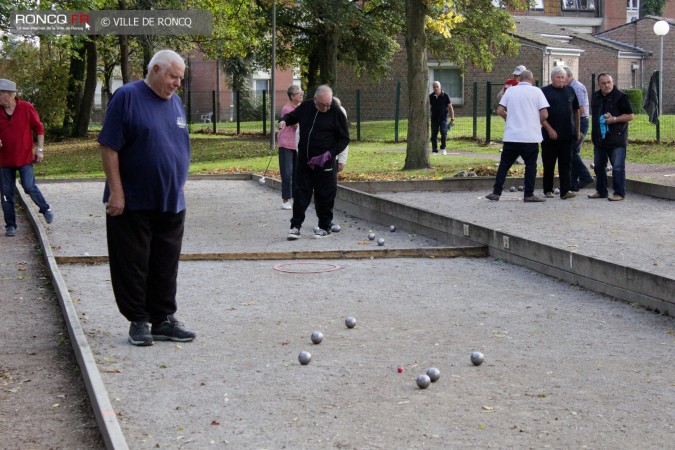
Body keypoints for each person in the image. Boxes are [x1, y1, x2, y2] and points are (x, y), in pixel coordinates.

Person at [98, 49, 196, 346]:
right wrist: (116, 192)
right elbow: (109, 147)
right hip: (132, 200)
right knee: (133, 262)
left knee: (166, 263)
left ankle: (163, 319)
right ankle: (138, 320)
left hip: (170, 200)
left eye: (180, 77)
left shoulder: (175, 102)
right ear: (155, 70)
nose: (178, 83)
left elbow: (176, 145)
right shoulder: (127, 97)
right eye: (173, 76)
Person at [278, 85, 349, 239]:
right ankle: (295, 227)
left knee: (325, 194)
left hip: (325, 161)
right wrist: (284, 121)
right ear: (315, 100)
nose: (325, 108)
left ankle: (324, 226)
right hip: (305, 160)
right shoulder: (307, 106)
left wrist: (330, 154)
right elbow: (293, 116)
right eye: (322, 104)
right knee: (301, 192)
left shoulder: (335, 112)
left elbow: (344, 139)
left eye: (328, 104)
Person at [485, 70, 549, 203]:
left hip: (512, 136)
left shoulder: (510, 91)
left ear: (519, 79)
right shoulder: (537, 92)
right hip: (530, 137)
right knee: (530, 166)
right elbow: (544, 114)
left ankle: (496, 192)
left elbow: (500, 110)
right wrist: (535, 123)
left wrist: (509, 119)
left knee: (504, 166)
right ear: (531, 80)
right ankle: (528, 194)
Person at [0, 78, 53, 237]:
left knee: (28, 186)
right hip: (3, 160)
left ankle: (45, 208)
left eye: (0, 93)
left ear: (10, 94)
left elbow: (39, 129)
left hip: (24, 158)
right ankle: (11, 225)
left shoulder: (26, 108)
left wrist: (40, 150)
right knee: (5, 193)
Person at [588, 73, 634, 201]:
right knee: (598, 166)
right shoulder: (596, 96)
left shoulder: (621, 96)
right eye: (603, 83)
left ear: (612, 82)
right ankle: (601, 191)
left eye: (609, 82)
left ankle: (619, 193)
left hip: (617, 138)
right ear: (599, 84)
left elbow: (630, 116)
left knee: (618, 167)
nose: (607, 85)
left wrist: (614, 119)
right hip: (600, 138)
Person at [540, 66, 580, 199]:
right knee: (549, 163)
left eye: (563, 77)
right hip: (550, 135)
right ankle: (548, 190)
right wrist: (549, 128)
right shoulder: (544, 91)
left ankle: (565, 191)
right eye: (558, 77)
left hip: (567, 134)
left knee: (566, 163)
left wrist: (577, 130)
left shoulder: (570, 90)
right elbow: (539, 114)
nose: (561, 80)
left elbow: (576, 111)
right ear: (552, 78)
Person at [564, 66, 594, 191]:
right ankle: (573, 183)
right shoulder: (570, 87)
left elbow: (581, 109)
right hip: (575, 121)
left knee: (572, 152)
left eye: (562, 78)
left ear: (569, 77)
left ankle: (585, 176)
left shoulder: (577, 87)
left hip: (580, 122)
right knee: (573, 152)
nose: (561, 81)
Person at [278, 85, 304, 210]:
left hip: (296, 145)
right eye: (299, 93)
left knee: (296, 173)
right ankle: (285, 200)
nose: (302, 95)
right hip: (286, 144)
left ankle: (295, 199)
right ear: (293, 96)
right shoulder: (287, 109)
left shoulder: (299, 108)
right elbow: (297, 125)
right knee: (287, 173)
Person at [429, 81, 454, 155]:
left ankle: (443, 148)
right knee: (434, 134)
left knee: (443, 132)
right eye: (434, 87)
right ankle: (434, 150)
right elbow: (428, 107)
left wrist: (452, 119)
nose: (436, 88)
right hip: (434, 118)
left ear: (440, 87)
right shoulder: (431, 96)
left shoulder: (445, 96)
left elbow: (450, 108)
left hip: (443, 118)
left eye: (437, 86)